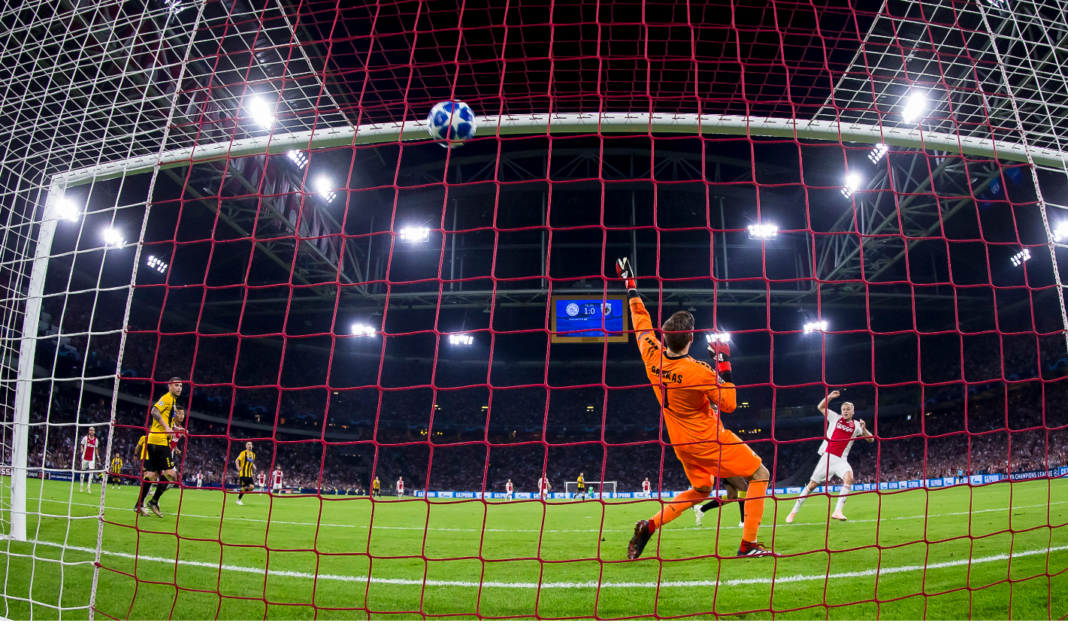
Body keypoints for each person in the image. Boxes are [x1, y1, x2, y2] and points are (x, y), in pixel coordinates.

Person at [616, 257, 776, 558]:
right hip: (709, 439)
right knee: (760, 473)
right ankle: (749, 544)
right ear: (690, 338)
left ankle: (650, 526)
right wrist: (724, 364)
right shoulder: (699, 372)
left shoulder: (651, 353)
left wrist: (630, 284)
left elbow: (640, 318)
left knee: (702, 490)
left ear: (665, 338)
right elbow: (730, 405)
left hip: (680, 443)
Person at [786, 390, 874, 523]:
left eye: (848, 409)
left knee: (849, 478)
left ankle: (838, 511)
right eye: (843, 409)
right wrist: (830, 397)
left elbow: (871, 440)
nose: (845, 411)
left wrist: (864, 429)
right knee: (811, 486)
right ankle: (793, 511)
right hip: (828, 458)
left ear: (853, 412)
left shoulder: (856, 425)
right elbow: (820, 407)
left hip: (841, 460)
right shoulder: (835, 418)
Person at [138, 378, 185, 517]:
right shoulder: (167, 398)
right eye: (176, 385)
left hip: (155, 439)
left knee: (151, 475)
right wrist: (167, 428)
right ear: (169, 386)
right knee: (171, 474)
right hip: (160, 440)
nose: (179, 388)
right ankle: (154, 501)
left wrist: (174, 428)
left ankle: (139, 505)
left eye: (181, 386)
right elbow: (154, 411)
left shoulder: (173, 402)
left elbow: (165, 419)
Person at [78, 427, 99, 493]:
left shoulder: (96, 440)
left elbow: (96, 448)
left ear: (94, 432)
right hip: (85, 457)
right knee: (83, 471)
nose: (92, 431)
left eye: (93, 430)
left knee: (91, 472)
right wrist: (81, 449)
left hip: (92, 458)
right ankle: (81, 486)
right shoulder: (85, 438)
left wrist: (98, 456)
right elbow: (81, 445)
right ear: (89, 431)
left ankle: (88, 487)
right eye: (91, 430)